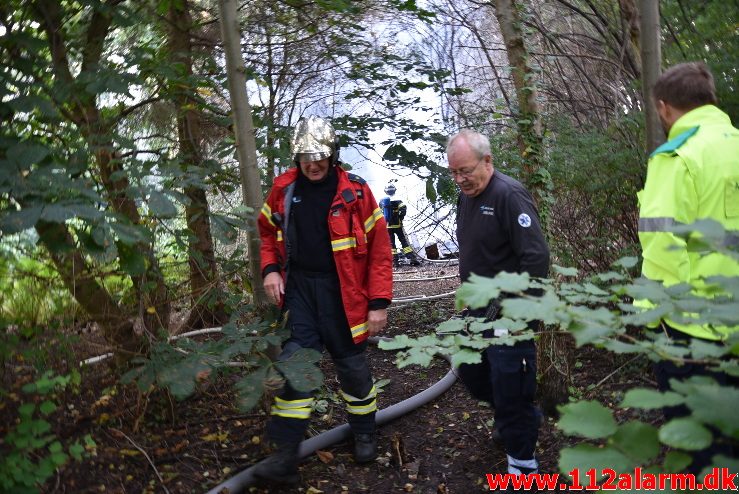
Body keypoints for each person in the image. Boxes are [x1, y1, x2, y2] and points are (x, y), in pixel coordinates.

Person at [255, 115, 393, 484]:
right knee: (296, 364)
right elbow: (267, 232)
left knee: (351, 367)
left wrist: (378, 302)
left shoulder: (357, 193)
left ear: (332, 156)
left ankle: (364, 431)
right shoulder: (283, 190)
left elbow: (380, 251)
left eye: (318, 157)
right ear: (295, 159)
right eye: (305, 158)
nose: (312, 165)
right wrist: (270, 269)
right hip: (300, 291)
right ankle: (285, 455)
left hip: (343, 293)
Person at [637, 62, 739, 473]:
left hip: (694, 331)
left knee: (701, 446)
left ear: (664, 108)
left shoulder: (677, 155)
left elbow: (661, 244)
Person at [446, 129, 549, 486]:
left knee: (510, 382)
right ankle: (511, 417)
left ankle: (523, 466)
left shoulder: (508, 195)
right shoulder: (467, 197)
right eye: (454, 173)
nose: (460, 179)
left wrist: (511, 306)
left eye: (466, 171)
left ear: (487, 161)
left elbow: (536, 257)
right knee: (473, 374)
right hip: (476, 307)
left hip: (510, 312)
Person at [379, 182, 421, 267]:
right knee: (403, 241)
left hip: (388, 226)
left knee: (391, 243)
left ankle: (395, 261)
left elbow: (379, 213)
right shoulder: (398, 200)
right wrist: (400, 218)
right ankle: (412, 258)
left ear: (386, 191)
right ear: (394, 190)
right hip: (397, 225)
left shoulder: (382, 201)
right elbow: (403, 209)